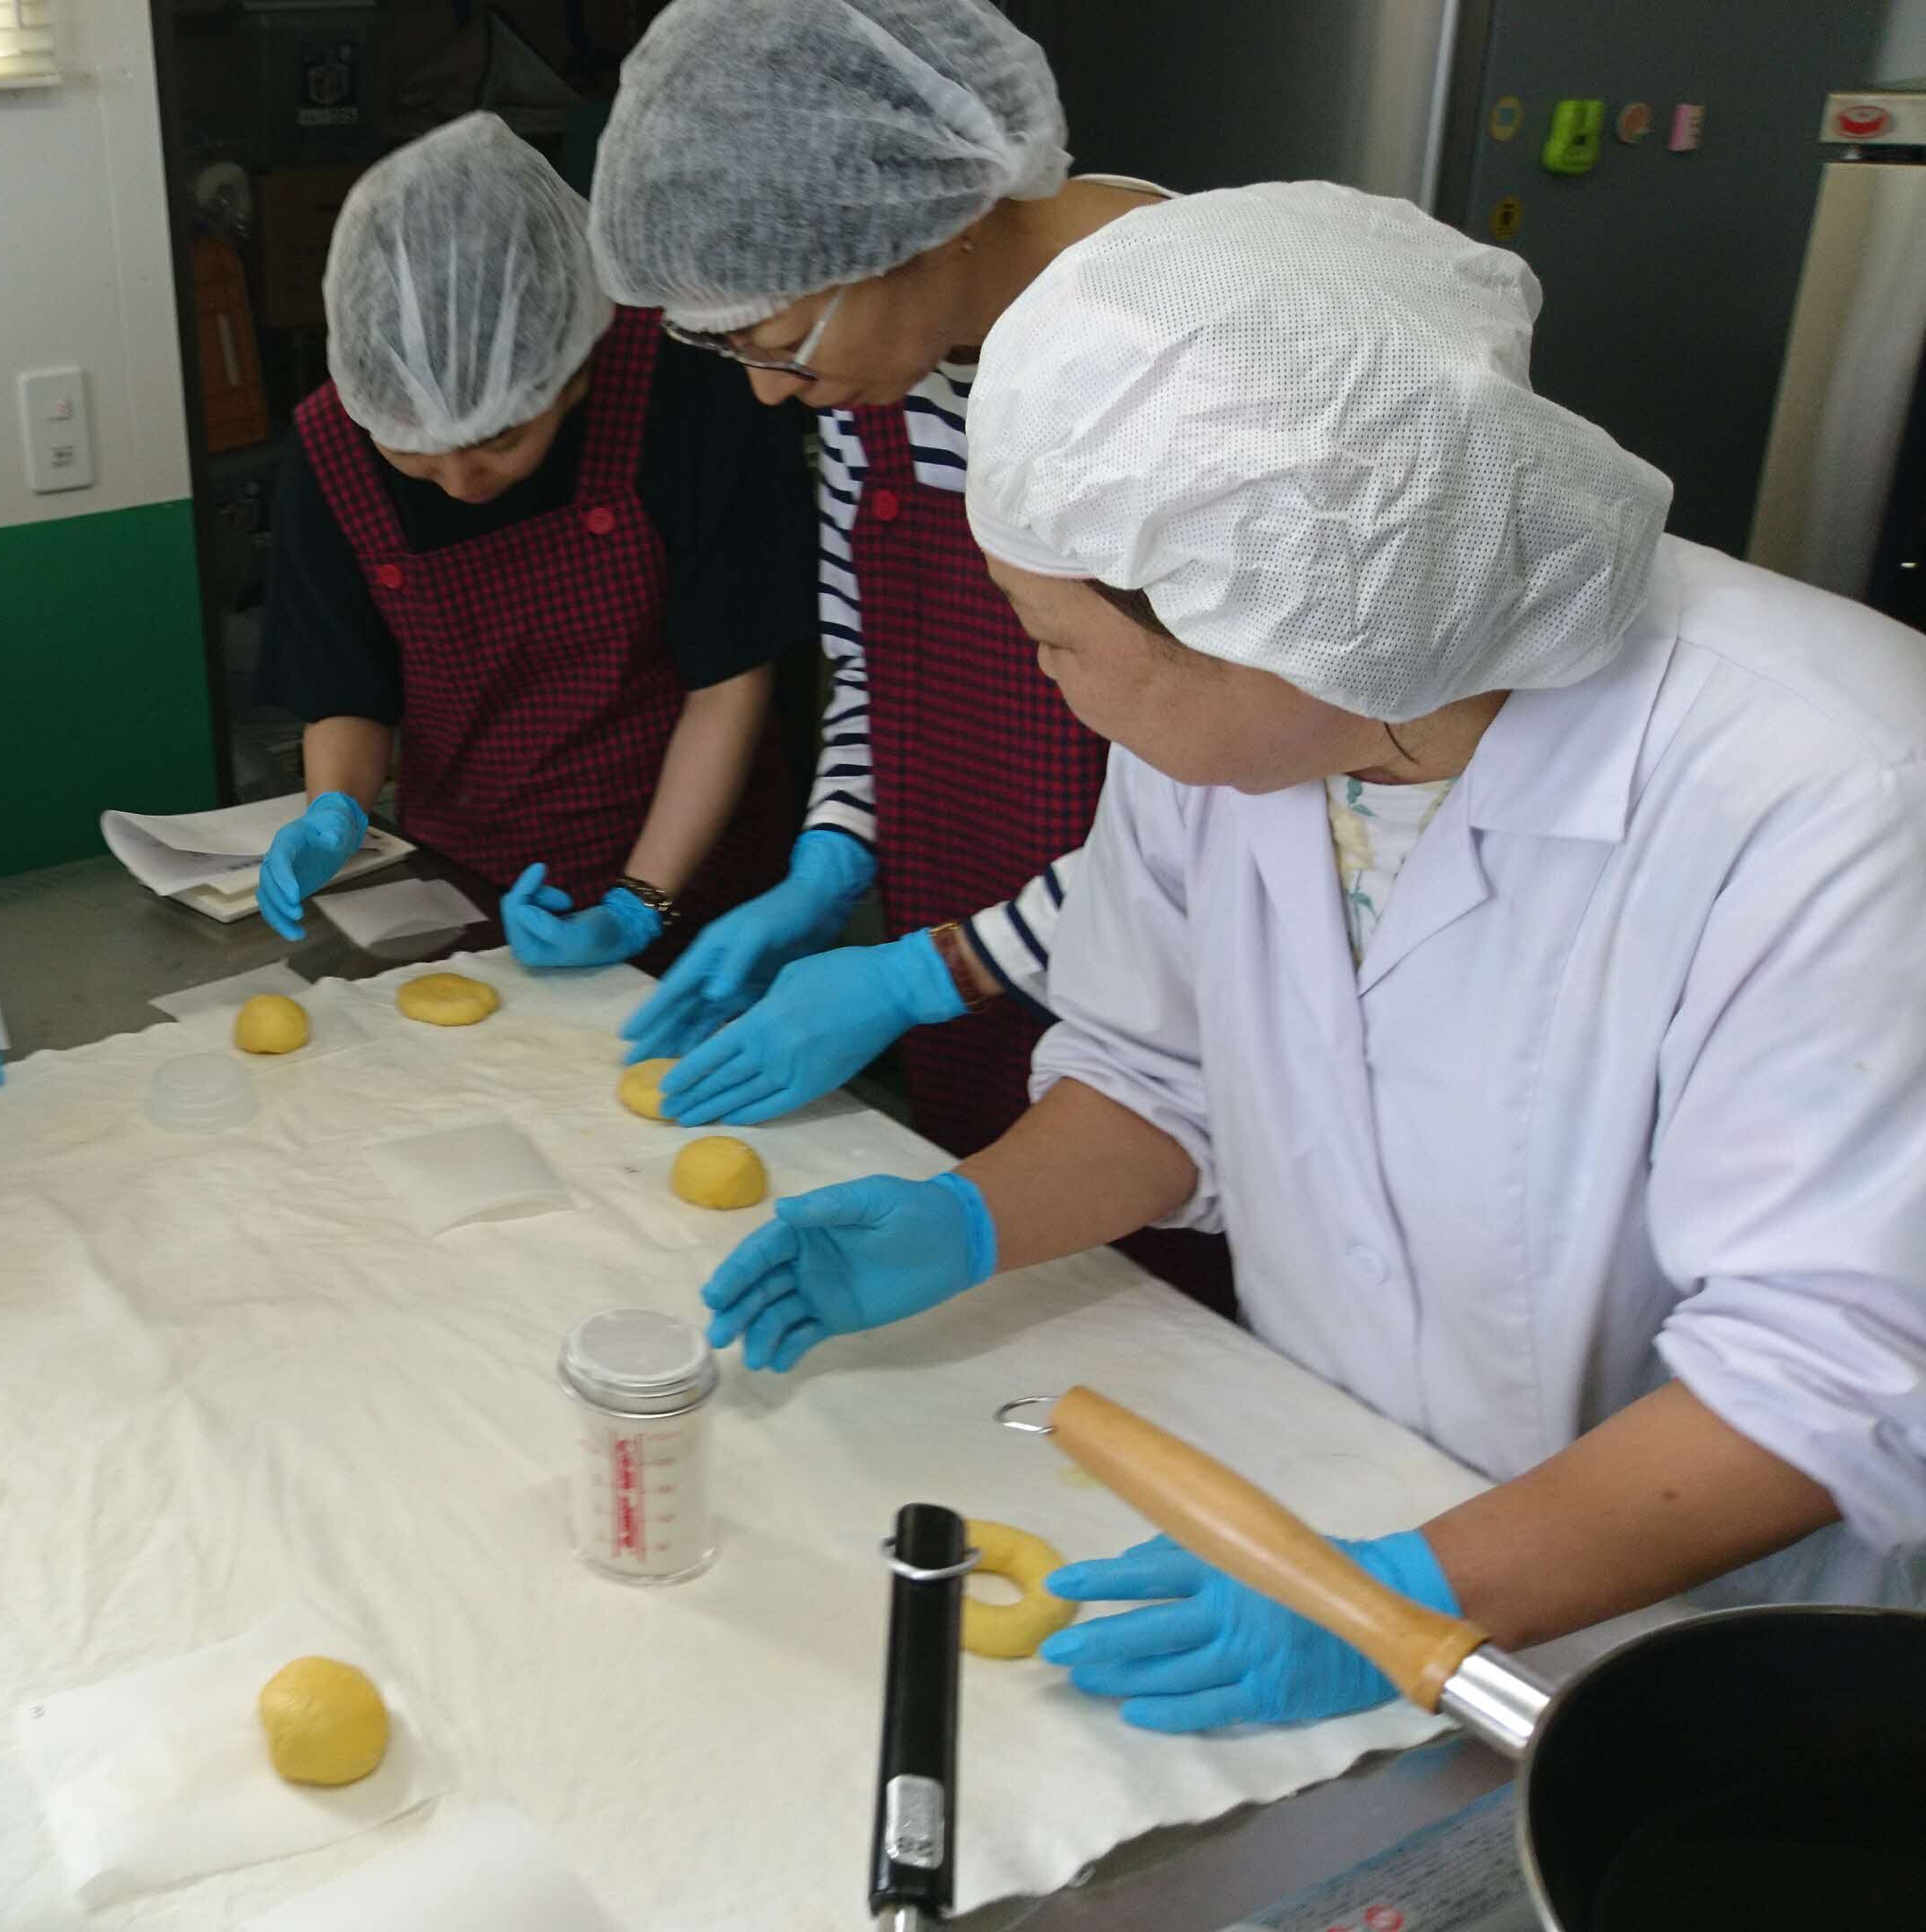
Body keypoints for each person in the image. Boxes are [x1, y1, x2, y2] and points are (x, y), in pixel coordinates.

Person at [695, 182, 1926, 1733]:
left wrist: (1415, 1595)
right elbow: (1161, 1075)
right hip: (1341, 1488)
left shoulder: (1840, 788)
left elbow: (1845, 1367)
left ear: (1248, 617)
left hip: (1685, 1656)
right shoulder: (1246, 738)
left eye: (1057, 642)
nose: (1050, 683)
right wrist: (968, 1215)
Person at [588, 0, 1200, 1211]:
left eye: (770, 337)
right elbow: (874, 660)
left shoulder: (1184, 355)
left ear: (907, 225)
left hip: (1175, 1026)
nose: (769, 395)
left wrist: (931, 971)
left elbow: (1235, 825)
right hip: (967, 956)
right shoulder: (897, 366)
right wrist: (830, 862)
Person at [250, 112, 812, 967]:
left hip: (702, 889)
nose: (463, 483)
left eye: (503, 441)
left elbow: (729, 685)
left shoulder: (687, 388)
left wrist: (638, 904)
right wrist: (334, 811)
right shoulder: (332, 444)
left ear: (574, 371)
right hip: (465, 882)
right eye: (417, 455)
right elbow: (348, 690)